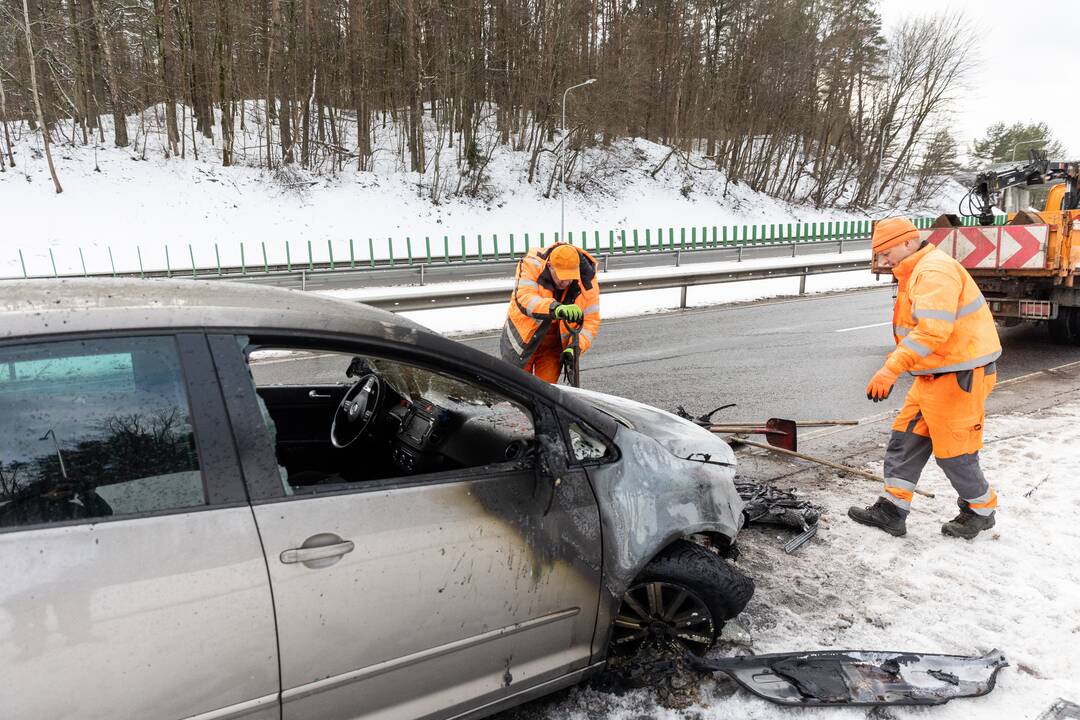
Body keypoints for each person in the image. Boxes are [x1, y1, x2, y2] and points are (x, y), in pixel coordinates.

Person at [849, 217, 1002, 540]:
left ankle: (980, 510)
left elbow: (933, 330)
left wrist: (891, 368)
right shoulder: (916, 270)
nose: (883, 261)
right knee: (906, 437)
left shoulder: (934, 271)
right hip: (935, 373)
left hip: (960, 374)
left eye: (885, 252)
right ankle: (892, 509)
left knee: (955, 453)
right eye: (878, 255)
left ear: (908, 243)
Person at [500, 243, 600, 383]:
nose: (566, 282)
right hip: (522, 340)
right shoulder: (532, 265)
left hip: (552, 348)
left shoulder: (587, 280)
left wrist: (575, 347)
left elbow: (591, 320)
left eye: (570, 277)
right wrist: (555, 308)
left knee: (545, 392)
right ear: (550, 266)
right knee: (518, 389)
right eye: (562, 277)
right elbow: (525, 298)